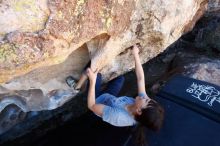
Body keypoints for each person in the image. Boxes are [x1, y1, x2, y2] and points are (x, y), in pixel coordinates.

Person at [66, 44, 164, 145]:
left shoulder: (118, 116)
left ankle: (77, 87)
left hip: (95, 101)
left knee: (92, 69)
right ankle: (96, 83)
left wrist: (92, 80)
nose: (145, 97)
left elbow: (91, 106)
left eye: (147, 100)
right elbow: (140, 78)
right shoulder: (140, 106)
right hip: (110, 98)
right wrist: (135, 54)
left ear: (139, 111)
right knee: (120, 79)